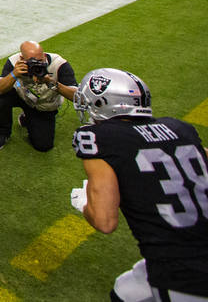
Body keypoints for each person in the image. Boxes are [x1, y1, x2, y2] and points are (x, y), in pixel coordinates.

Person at [69, 68, 208, 302]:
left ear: (104, 103)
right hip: (194, 240)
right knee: (126, 291)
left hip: (184, 269)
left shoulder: (98, 137)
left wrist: (85, 204)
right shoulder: (180, 129)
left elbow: (105, 221)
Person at [0, 40, 78, 151]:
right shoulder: (14, 62)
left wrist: (50, 82)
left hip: (44, 106)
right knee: (1, 97)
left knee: (43, 146)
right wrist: (14, 74)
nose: (37, 65)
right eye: (32, 62)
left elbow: (77, 97)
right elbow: (0, 89)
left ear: (44, 55)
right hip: (22, 97)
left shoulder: (59, 64)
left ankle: (28, 117)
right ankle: (3, 133)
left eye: (40, 61)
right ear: (22, 58)